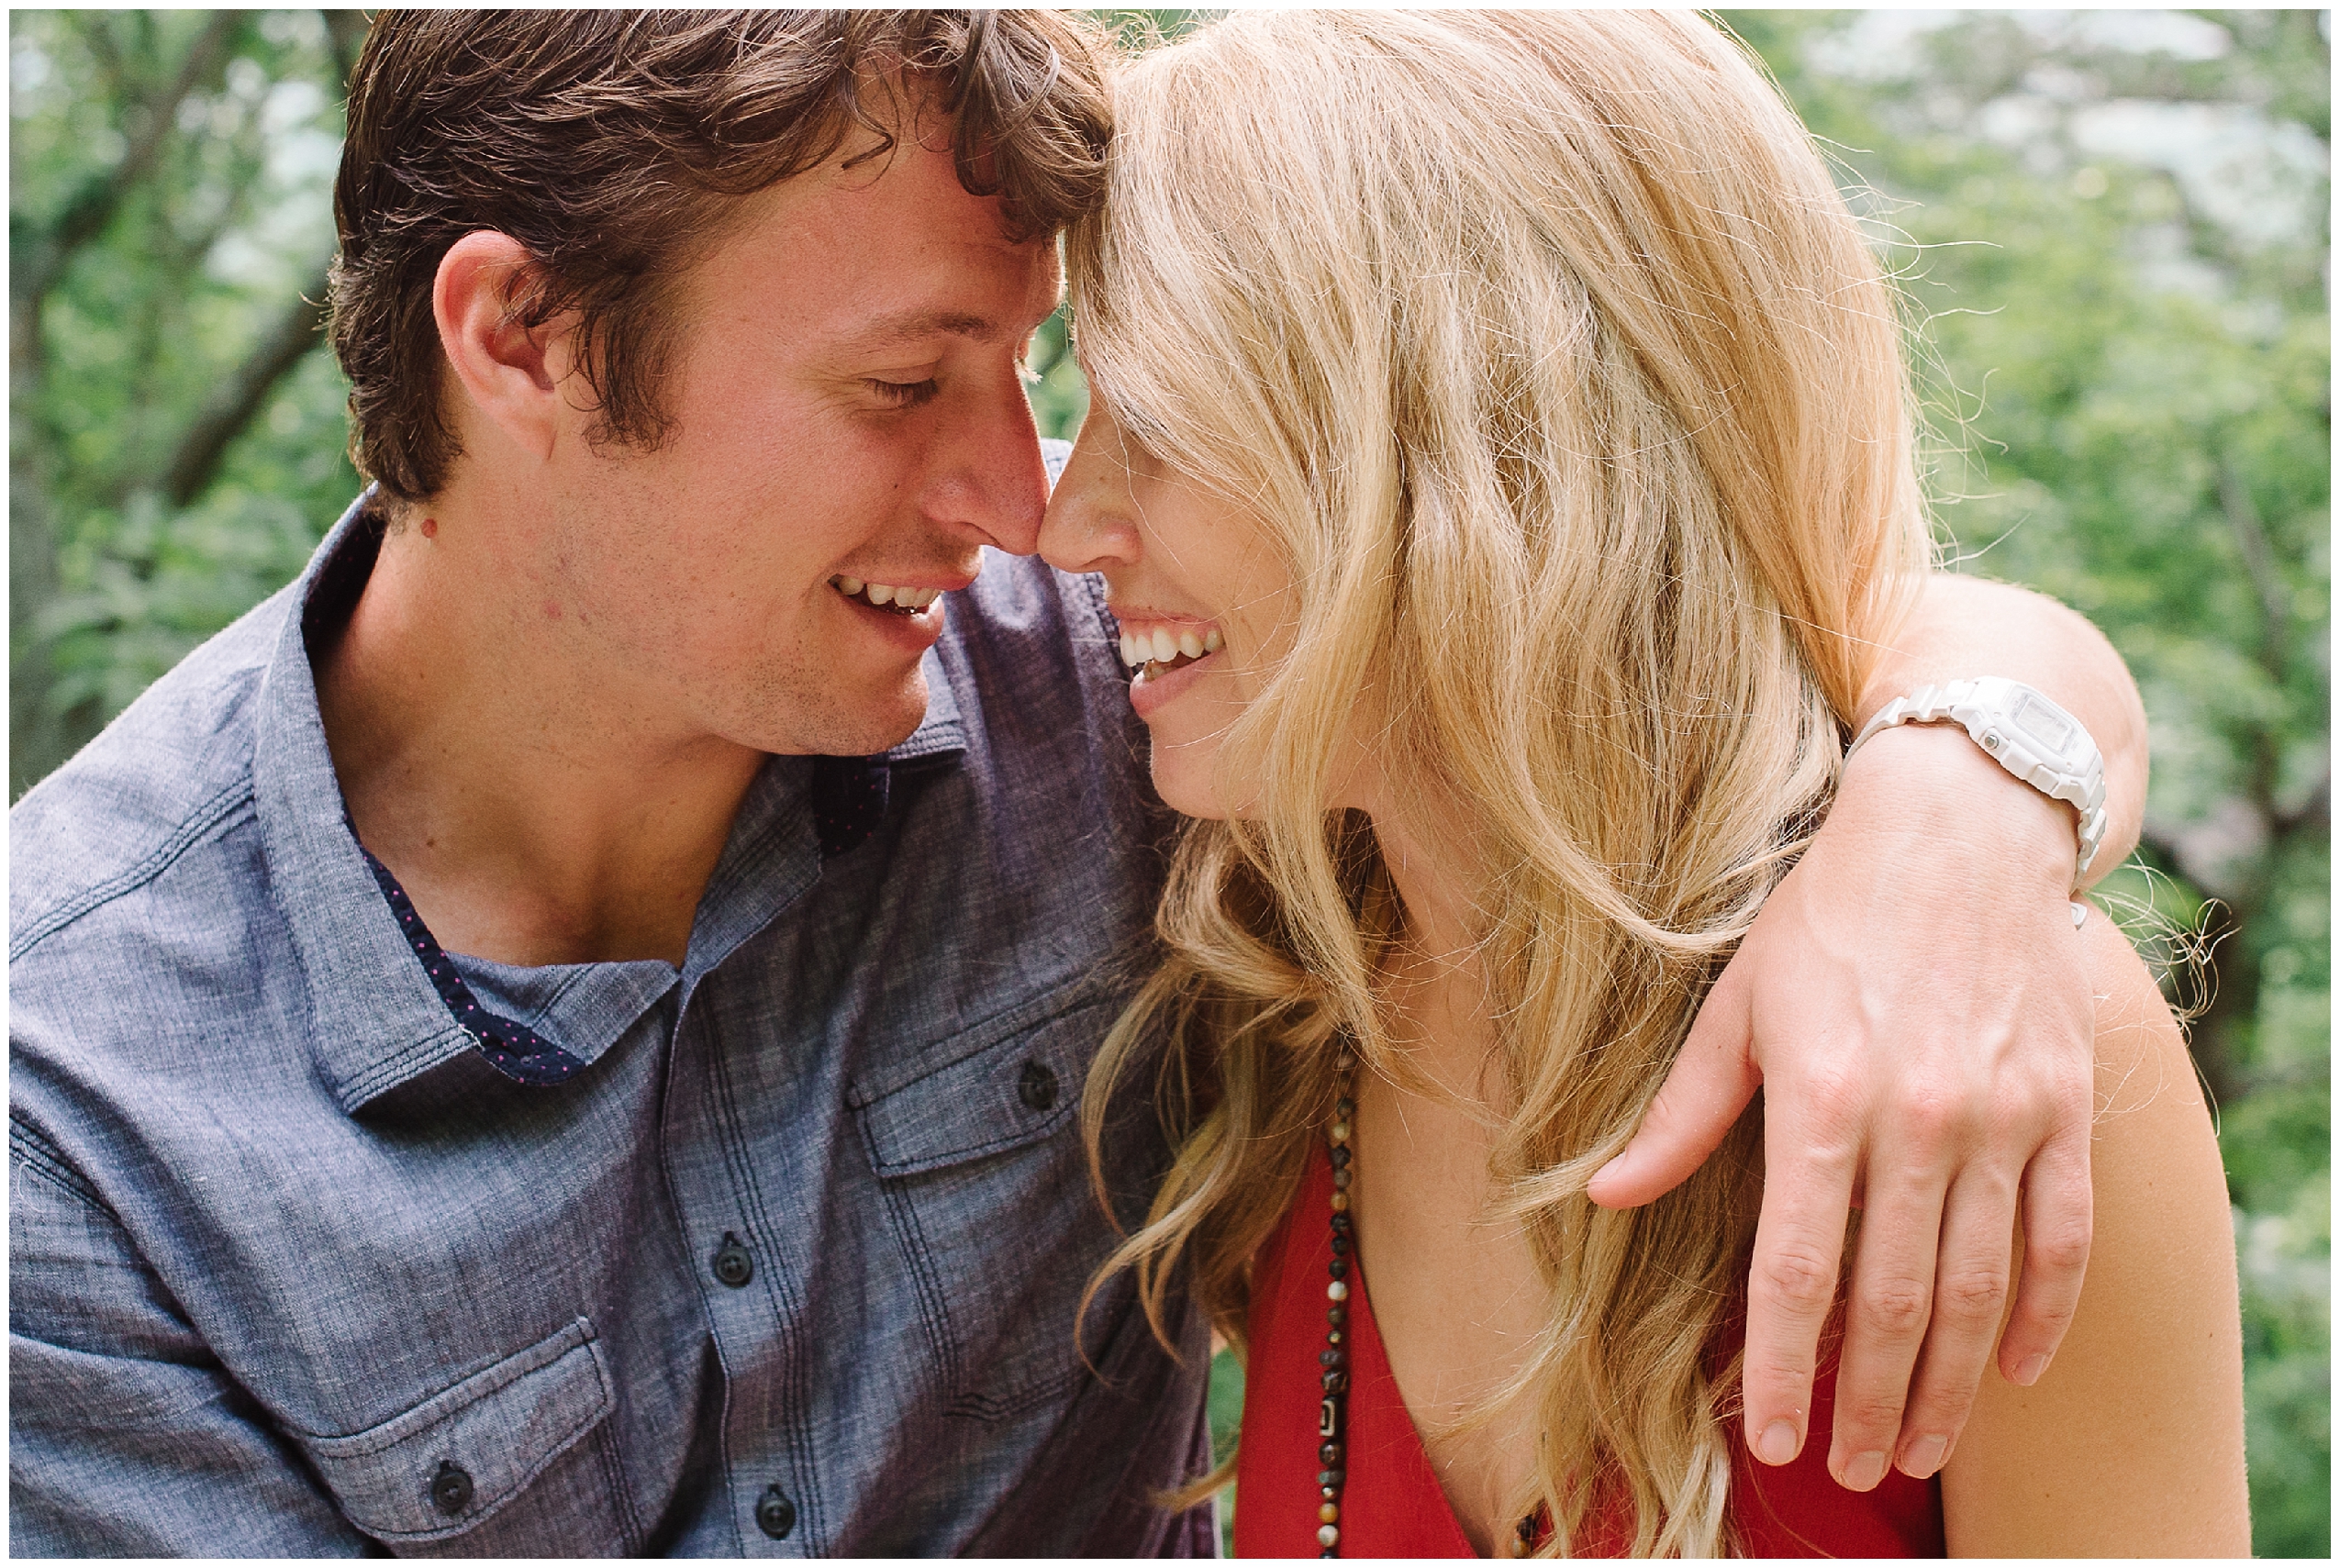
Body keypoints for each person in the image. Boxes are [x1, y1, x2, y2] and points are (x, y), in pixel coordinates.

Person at [13, 9, 2156, 1556]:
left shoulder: (1155, 719)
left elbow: (1661, 616)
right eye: (902, 384)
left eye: (1035, 373)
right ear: (528, 337)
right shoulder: (78, 1125)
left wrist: (1968, 805)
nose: (1022, 504)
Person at [1042, 10, 2245, 1558]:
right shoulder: (1269, 957)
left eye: (1156, 420)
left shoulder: (1966, 1043)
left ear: (1461, 439)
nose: (1066, 529)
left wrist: (1981, 777)